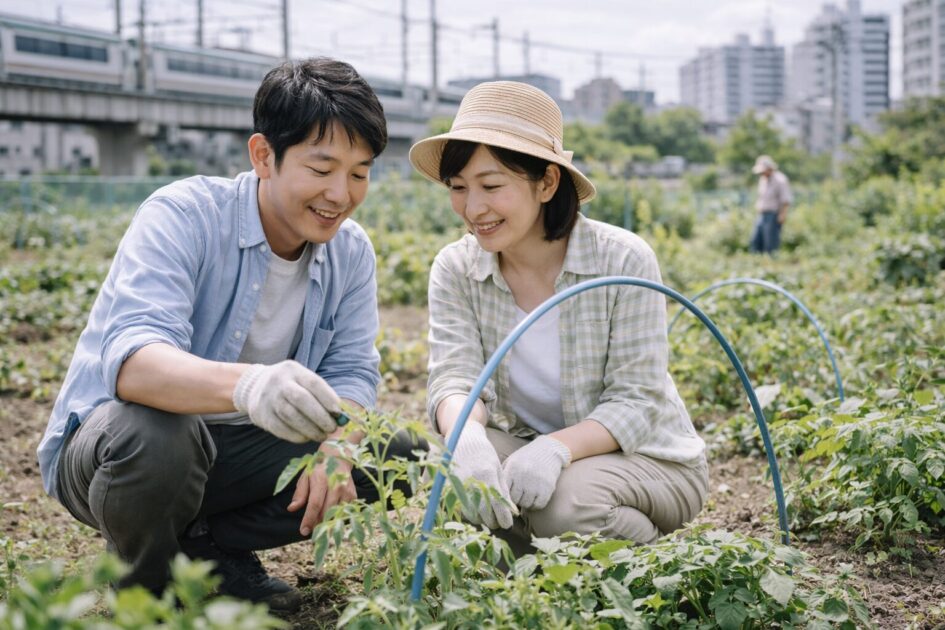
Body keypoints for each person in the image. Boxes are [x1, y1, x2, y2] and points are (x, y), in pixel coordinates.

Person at [37, 57, 421, 614]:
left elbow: (353, 371)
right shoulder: (184, 215)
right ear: (264, 155)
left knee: (395, 453)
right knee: (157, 433)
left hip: (232, 454)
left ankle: (213, 552)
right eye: (322, 168)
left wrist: (339, 445)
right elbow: (132, 365)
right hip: (116, 452)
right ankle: (147, 595)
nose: (341, 193)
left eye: (359, 173)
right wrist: (250, 387)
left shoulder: (351, 250)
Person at [409, 81, 708, 552]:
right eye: (459, 188)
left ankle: (657, 562)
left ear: (547, 182)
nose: (472, 208)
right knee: (447, 476)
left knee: (564, 506)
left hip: (649, 459)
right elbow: (454, 376)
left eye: (491, 186)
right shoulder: (457, 268)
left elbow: (637, 400)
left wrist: (556, 448)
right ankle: (545, 563)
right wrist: (465, 439)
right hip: (531, 445)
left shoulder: (621, 261)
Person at [748, 154, 793, 254]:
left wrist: (782, 215)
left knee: (771, 243)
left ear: (769, 168)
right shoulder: (763, 179)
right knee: (756, 241)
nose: (761, 173)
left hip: (773, 215)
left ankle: (772, 265)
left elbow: (785, 200)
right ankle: (757, 262)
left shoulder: (780, 180)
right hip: (761, 214)